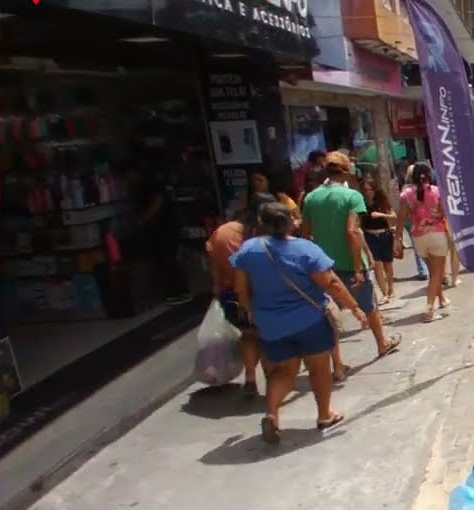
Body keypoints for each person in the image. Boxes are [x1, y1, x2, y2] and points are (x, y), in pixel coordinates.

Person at [230, 201, 370, 443]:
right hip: (310, 321)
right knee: (319, 369)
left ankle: (272, 414)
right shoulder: (306, 249)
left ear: (261, 223)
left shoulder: (248, 251)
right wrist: (355, 308)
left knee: (283, 372)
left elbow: (240, 290)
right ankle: (324, 414)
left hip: (271, 325)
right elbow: (332, 283)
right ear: (289, 222)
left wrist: (251, 311)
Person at [301, 150, 402, 359]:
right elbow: (353, 231)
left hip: (323, 267)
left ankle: (337, 364)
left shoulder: (311, 198)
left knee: (327, 314)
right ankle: (382, 343)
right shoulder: (353, 196)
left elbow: (305, 235)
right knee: (370, 306)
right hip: (350, 263)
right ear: (347, 172)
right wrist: (358, 268)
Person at [206, 192, 273, 397]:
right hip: (262, 295)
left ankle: (251, 378)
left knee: (247, 337)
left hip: (230, 295)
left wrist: (217, 288)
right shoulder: (266, 236)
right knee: (267, 340)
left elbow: (214, 264)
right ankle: (273, 382)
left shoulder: (223, 232)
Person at [126, 161, 192, 305]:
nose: (128, 179)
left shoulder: (150, 183)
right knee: (162, 260)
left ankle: (180, 291)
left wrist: (143, 219)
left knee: (168, 259)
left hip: (164, 228)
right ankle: (173, 291)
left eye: (129, 175)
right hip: (157, 230)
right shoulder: (142, 186)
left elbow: (157, 201)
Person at [395, 161, 450, 322]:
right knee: (437, 274)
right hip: (437, 235)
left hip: (418, 237)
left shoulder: (406, 195)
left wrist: (397, 237)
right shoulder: (437, 191)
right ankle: (429, 310)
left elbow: (401, 218)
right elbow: (444, 213)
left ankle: (441, 299)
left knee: (433, 272)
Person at [359, 176, 398, 303]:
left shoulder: (382, 202)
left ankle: (391, 288)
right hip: (370, 236)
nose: (368, 192)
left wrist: (382, 215)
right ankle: (384, 293)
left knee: (388, 264)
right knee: (377, 265)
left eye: (370, 189)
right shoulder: (361, 204)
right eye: (365, 190)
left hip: (384, 235)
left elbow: (394, 217)